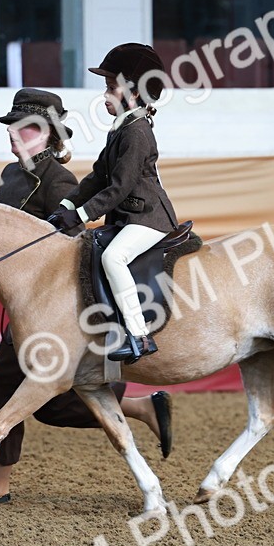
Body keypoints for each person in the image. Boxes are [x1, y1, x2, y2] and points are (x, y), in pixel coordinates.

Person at [0, 88, 172, 506]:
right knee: (52, 406)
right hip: (25, 310)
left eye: (31, 129)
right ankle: (143, 407)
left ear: (52, 135)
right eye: (14, 127)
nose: (18, 135)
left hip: (51, 311)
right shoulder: (10, 175)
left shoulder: (60, 180)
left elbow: (71, 246)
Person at [46, 43, 179, 365]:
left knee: (114, 258)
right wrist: (66, 205)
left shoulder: (137, 132)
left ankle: (138, 334)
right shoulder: (121, 127)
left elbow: (119, 188)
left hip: (149, 216)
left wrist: (80, 215)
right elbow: (97, 177)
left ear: (132, 91)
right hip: (131, 214)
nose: (104, 95)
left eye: (110, 88)